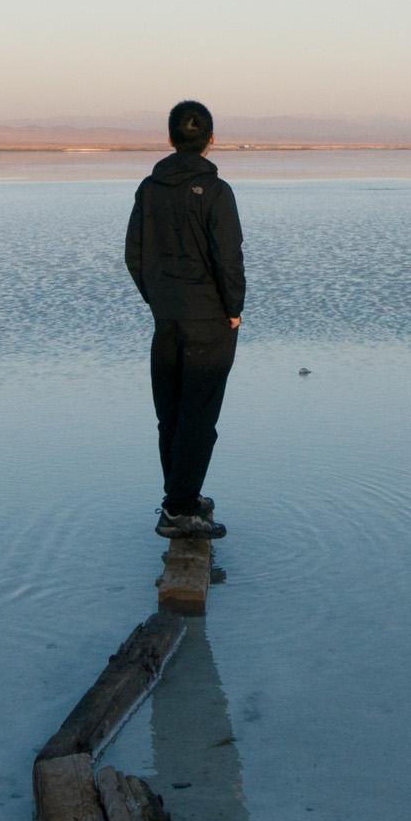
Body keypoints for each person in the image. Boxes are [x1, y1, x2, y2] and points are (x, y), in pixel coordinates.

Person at [125, 98, 244, 540]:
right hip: (208, 322)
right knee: (198, 417)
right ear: (211, 140)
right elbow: (228, 258)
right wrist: (233, 309)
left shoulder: (150, 188)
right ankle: (178, 511)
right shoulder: (216, 192)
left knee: (171, 415)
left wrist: (158, 300)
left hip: (168, 320)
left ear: (171, 139)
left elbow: (134, 256)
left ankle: (183, 496)